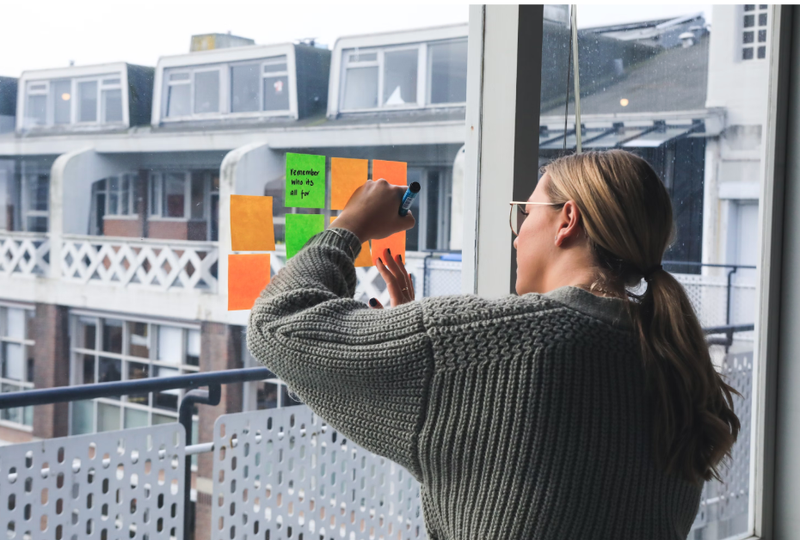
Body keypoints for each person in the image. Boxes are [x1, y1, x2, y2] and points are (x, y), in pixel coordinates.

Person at [247, 149, 740, 540]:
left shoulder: (490, 345)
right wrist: (408, 336)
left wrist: (349, 225)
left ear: (567, 219)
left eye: (524, 213)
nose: (517, 236)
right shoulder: (671, 359)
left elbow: (278, 323)